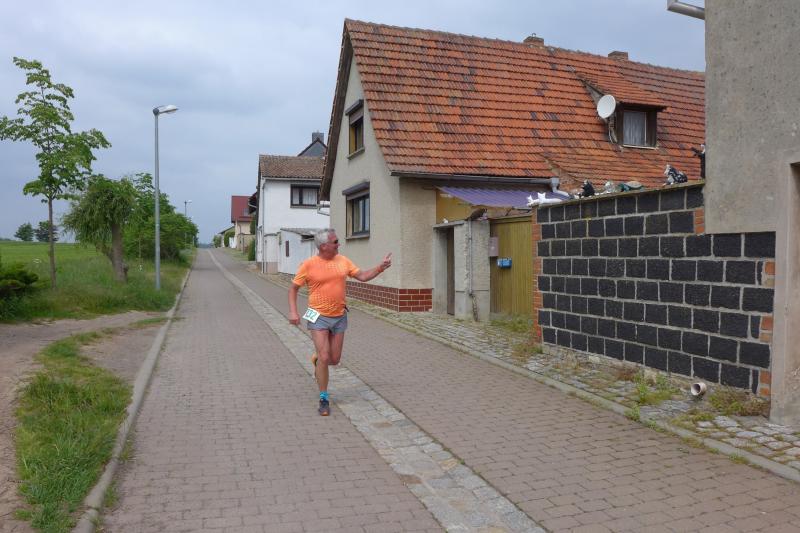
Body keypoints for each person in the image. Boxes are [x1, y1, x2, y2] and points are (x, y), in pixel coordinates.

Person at [288, 228, 391, 416]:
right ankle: (323, 397)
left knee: (334, 360)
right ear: (324, 246)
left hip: (339, 316)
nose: (339, 244)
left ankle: (317, 360)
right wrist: (293, 311)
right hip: (317, 316)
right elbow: (293, 289)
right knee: (325, 356)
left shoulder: (343, 261)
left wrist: (380, 267)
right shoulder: (308, 265)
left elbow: (363, 276)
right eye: (335, 242)